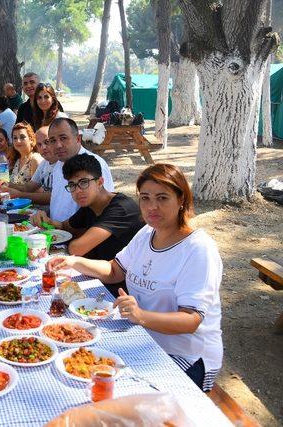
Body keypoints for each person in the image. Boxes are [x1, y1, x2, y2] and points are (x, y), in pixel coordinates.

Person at [46, 163, 223, 392]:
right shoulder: (147, 233)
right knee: (75, 366)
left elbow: (191, 320)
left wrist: (141, 315)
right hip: (142, 337)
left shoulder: (198, 249)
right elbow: (115, 271)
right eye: (145, 198)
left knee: (116, 395)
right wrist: (74, 262)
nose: (152, 207)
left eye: (162, 198)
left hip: (184, 355)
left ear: (181, 200)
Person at [39, 154, 144, 294]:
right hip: (96, 274)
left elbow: (77, 249)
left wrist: (74, 240)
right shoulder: (90, 204)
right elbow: (64, 226)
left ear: (100, 182)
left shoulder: (121, 209)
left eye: (84, 182)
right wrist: (47, 221)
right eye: (72, 185)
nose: (78, 191)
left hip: (123, 288)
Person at [31, 117, 113, 224]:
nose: (58, 145)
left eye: (63, 138)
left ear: (78, 139)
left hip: (84, 235)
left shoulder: (95, 164)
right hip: (56, 232)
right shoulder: (59, 164)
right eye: (52, 141)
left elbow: (106, 212)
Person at [0, 126, 54, 207]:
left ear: (31, 140)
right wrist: (8, 185)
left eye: (47, 142)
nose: (43, 147)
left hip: (37, 209)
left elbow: (49, 196)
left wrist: (19, 195)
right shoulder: (44, 163)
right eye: (15, 138)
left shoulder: (36, 159)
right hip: (23, 207)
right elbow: (28, 188)